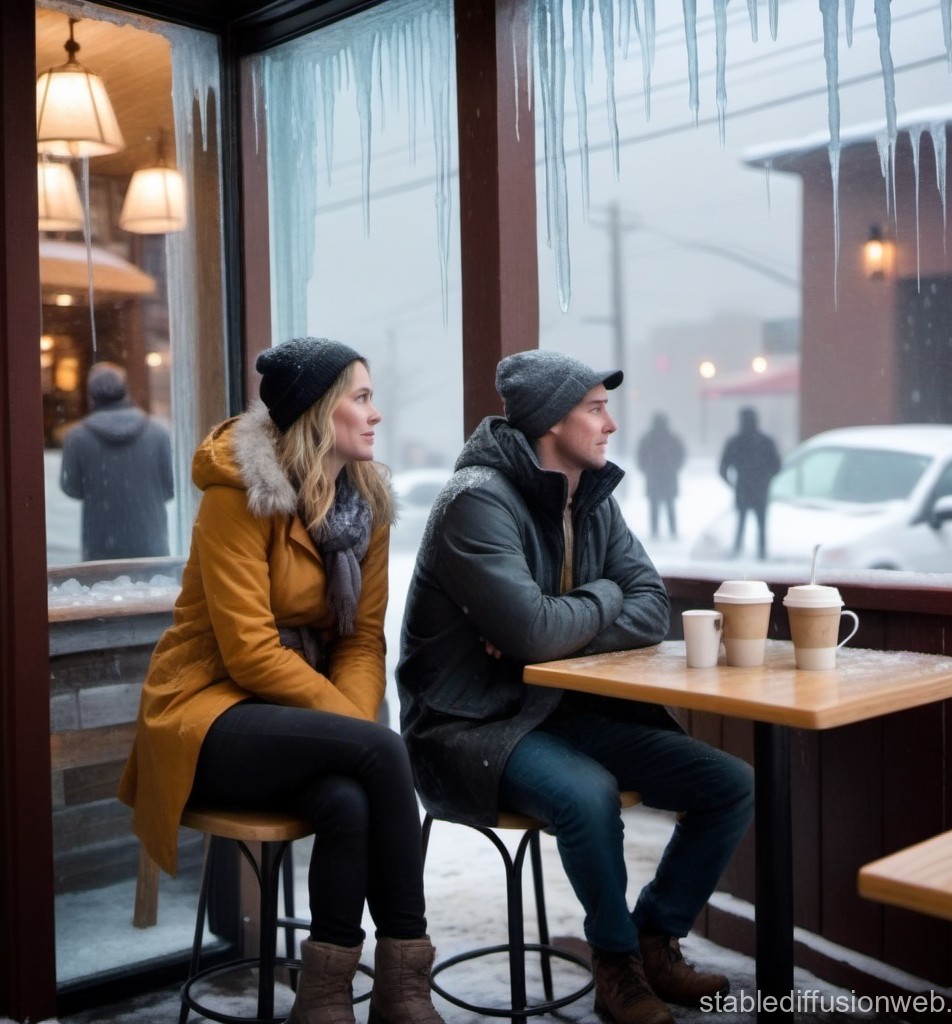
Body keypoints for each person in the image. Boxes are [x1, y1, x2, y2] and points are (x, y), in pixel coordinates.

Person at [396, 350, 754, 1024]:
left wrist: (567, 615)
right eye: (594, 409)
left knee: (729, 783)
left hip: (559, 713)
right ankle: (615, 964)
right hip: (470, 726)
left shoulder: (590, 498)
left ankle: (655, 937)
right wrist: (577, 609)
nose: (610, 424)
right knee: (588, 795)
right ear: (548, 423)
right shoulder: (475, 502)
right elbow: (536, 630)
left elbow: (653, 606)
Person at [118, 337, 445, 1024]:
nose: (375, 413)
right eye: (360, 398)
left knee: (349, 800)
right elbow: (250, 653)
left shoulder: (366, 507)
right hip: (206, 711)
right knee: (379, 751)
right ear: (321, 414)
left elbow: (360, 638)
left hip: (297, 721)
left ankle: (327, 995)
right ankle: (407, 981)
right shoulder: (237, 496)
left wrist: (346, 729)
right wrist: (357, 731)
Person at [59, 361, 175, 561]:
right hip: (151, 543)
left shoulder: (77, 437)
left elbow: (71, 488)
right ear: (126, 392)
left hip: (100, 545)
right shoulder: (157, 433)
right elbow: (171, 487)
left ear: (91, 396)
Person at [718, 406, 782, 560]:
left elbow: (723, 467)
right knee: (759, 525)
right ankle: (760, 553)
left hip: (744, 488)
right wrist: (765, 478)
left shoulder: (735, 442)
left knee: (743, 523)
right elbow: (776, 465)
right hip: (758, 488)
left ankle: (740, 550)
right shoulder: (765, 441)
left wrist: (732, 483)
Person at [636, 411, 686, 539]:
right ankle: (672, 531)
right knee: (669, 505)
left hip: (654, 476)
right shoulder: (672, 438)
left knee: (655, 506)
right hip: (668, 475)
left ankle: (655, 532)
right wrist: (674, 467)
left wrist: (646, 469)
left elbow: (640, 457)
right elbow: (681, 455)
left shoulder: (648, 439)